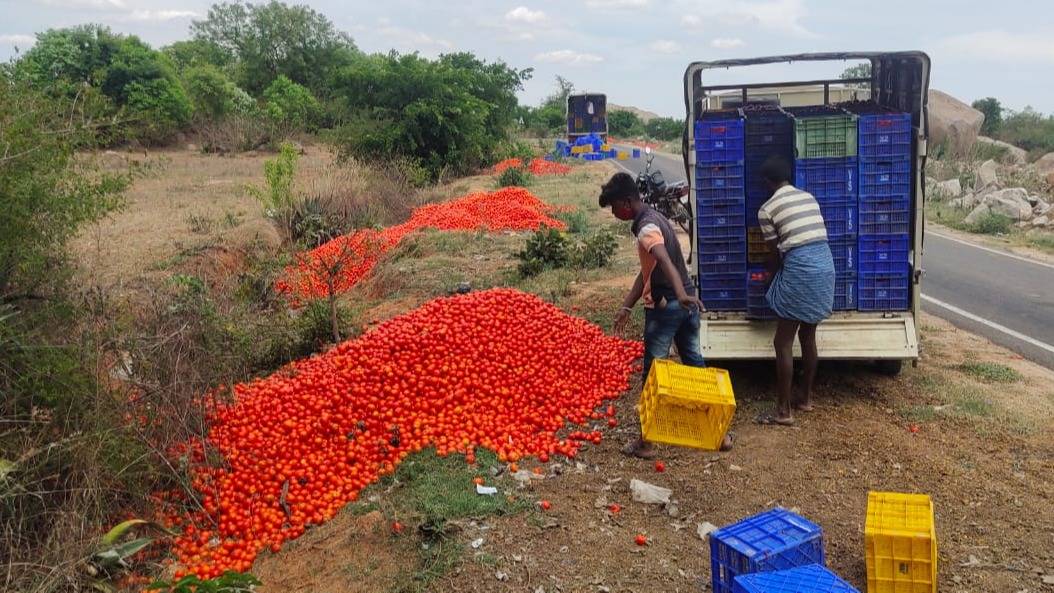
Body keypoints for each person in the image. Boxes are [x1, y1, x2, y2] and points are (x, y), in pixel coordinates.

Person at [599, 172, 733, 458]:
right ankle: (720, 435)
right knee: (695, 364)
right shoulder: (657, 217)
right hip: (685, 305)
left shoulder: (646, 226)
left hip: (668, 306)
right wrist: (627, 305)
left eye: (613, 207)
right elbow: (648, 270)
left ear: (626, 202)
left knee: (652, 374)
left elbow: (662, 258)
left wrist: (679, 295)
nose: (614, 213)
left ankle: (646, 442)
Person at [756, 155, 836, 426]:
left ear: (767, 182)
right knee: (808, 336)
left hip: (801, 268)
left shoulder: (766, 209)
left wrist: (769, 279)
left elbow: (775, 256)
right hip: (825, 265)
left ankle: (783, 411)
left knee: (782, 342)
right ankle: (805, 398)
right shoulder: (808, 197)